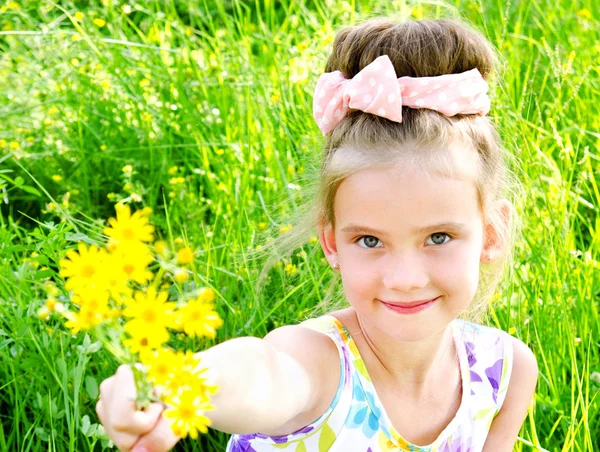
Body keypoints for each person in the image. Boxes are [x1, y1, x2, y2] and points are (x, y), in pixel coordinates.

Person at [96, 16, 539, 452]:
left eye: (438, 237)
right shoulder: (321, 366)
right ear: (332, 244)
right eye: (369, 241)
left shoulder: (503, 371)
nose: (405, 278)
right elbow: (265, 373)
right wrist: (176, 385)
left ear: (491, 232)